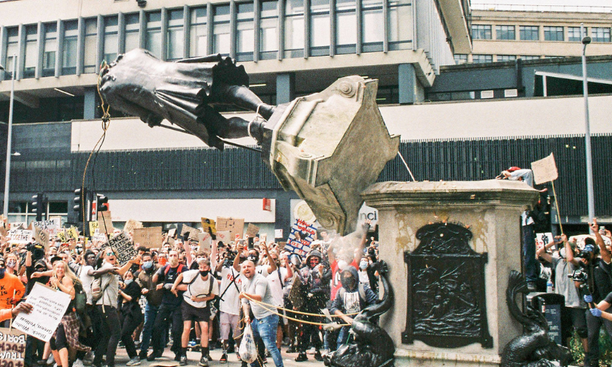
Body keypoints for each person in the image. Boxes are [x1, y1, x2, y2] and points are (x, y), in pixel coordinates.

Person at [536, 234, 589, 350]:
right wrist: (553, 243)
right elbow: (540, 253)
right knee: (564, 331)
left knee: (582, 330)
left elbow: (570, 258)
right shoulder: (557, 261)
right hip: (562, 304)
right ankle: (567, 355)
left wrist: (566, 242)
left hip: (575, 304)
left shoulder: (578, 261)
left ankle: (588, 357)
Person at [91, 247, 135, 367]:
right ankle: (110, 363)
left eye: (114, 253)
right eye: (109, 253)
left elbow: (114, 276)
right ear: (103, 256)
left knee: (106, 334)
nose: (112, 255)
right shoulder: (107, 266)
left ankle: (97, 360)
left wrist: (118, 283)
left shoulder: (108, 267)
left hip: (104, 305)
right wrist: (130, 262)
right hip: (107, 305)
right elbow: (120, 272)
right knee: (116, 333)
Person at [172, 258, 219, 366]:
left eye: (205, 267)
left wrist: (199, 300)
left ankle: (204, 355)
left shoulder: (212, 281)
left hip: (202, 305)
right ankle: (183, 354)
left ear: (209, 268)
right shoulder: (193, 274)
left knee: (205, 328)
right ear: (198, 268)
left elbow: (212, 296)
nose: (203, 269)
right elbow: (181, 276)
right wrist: (174, 287)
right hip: (188, 303)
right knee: (187, 328)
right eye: (201, 267)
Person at [239, 260, 284, 367]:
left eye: (249, 266)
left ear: (254, 268)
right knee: (250, 343)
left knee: (270, 346)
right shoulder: (244, 281)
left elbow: (259, 297)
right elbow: (245, 303)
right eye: (244, 267)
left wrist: (245, 294)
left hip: (269, 316)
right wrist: (246, 316)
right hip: (257, 318)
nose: (246, 269)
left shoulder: (260, 279)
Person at [49, 260, 91, 367]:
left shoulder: (66, 279)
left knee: (59, 342)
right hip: (56, 315)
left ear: (65, 269)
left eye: (62, 267)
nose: (60, 269)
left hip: (66, 316)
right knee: (53, 343)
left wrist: (58, 284)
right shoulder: (54, 279)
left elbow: (71, 295)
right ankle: (60, 364)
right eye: (57, 267)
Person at [582, 219, 612, 367]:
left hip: (609, 304)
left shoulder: (605, 263)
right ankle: (592, 363)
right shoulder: (586, 266)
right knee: (591, 336)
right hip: (594, 305)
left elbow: (603, 249)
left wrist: (595, 233)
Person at [148, 250, 186, 361]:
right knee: (156, 327)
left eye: (175, 255)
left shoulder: (183, 269)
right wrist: (159, 269)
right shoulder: (165, 268)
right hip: (165, 303)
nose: (173, 257)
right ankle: (156, 350)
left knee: (176, 330)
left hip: (178, 304)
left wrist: (168, 286)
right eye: (171, 255)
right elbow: (154, 280)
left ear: (179, 258)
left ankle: (178, 351)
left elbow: (187, 286)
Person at [330, 266, 377, 349]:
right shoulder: (341, 291)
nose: (346, 277)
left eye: (348, 274)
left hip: (362, 324)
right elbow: (334, 308)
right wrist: (344, 317)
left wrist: (363, 315)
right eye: (344, 275)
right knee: (341, 344)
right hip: (347, 324)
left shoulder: (363, 289)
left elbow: (374, 303)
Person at [295, 250, 330, 362]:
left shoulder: (324, 270)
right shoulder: (303, 271)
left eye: (316, 259)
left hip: (318, 302)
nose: (314, 261)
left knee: (317, 327)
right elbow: (297, 287)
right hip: (305, 302)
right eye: (312, 259)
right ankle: (302, 351)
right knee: (303, 328)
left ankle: (318, 351)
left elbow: (325, 285)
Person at [136, 252, 162, 360]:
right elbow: (139, 285)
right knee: (147, 327)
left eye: (148, 260)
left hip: (161, 302)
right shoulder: (141, 274)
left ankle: (158, 350)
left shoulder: (160, 269)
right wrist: (142, 289)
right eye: (144, 260)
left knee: (158, 328)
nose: (147, 262)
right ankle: (143, 350)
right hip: (150, 303)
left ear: (152, 260)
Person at [118, 270, 143, 366]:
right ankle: (133, 356)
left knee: (125, 334)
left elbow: (130, 298)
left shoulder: (134, 286)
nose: (128, 278)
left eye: (129, 276)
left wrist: (121, 292)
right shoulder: (124, 287)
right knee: (123, 334)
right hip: (124, 312)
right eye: (126, 276)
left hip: (133, 313)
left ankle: (134, 357)